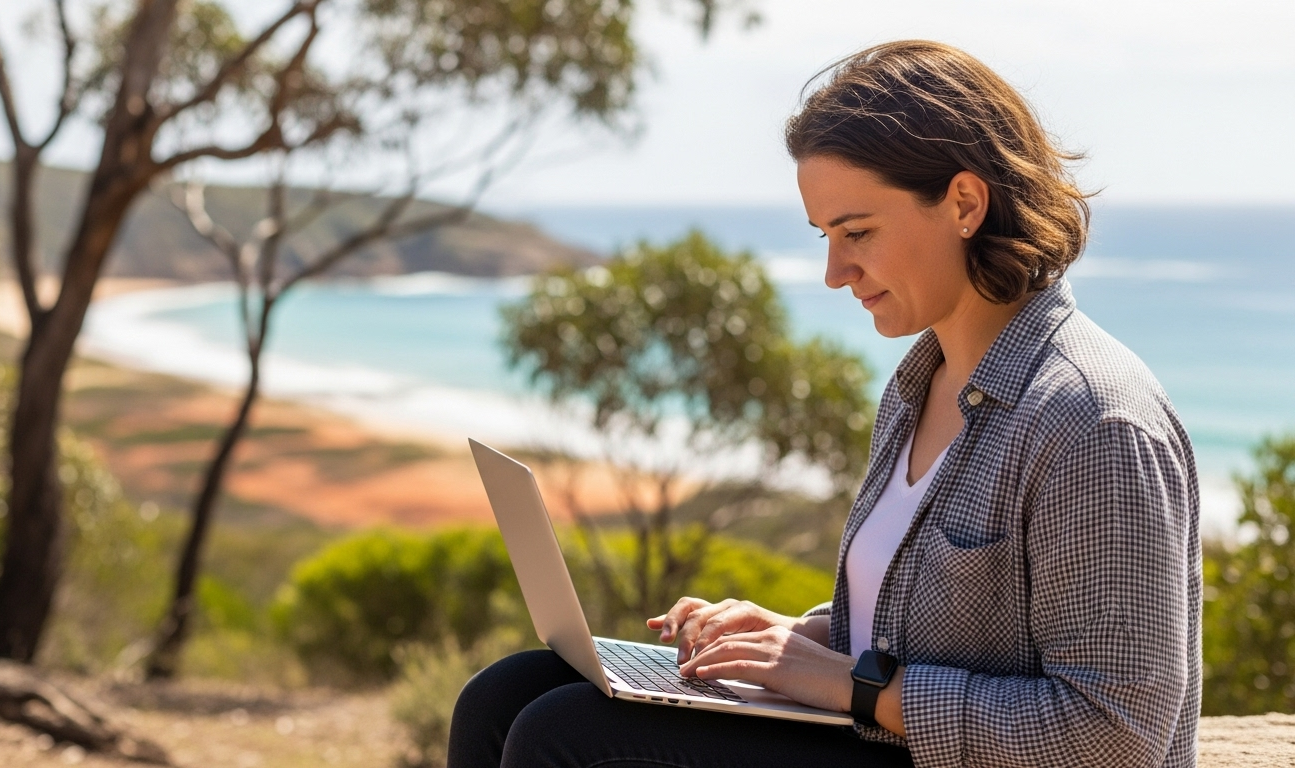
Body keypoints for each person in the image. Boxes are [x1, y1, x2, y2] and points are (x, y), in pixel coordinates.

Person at [448, 40, 1201, 768]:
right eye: (825, 236)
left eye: (858, 232)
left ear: (965, 202)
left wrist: (849, 683)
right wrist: (789, 641)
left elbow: (1117, 734)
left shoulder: (1094, 424)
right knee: (509, 693)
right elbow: (924, 629)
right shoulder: (919, 387)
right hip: (883, 738)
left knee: (566, 734)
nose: (837, 271)